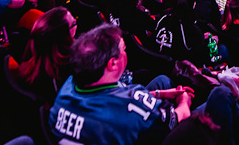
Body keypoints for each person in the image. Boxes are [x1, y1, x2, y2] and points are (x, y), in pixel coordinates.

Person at [49, 24, 193, 145]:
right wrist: (184, 100)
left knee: (162, 81)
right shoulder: (130, 106)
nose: (126, 53)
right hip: (129, 128)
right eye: (123, 49)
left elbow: (115, 99)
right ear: (112, 63)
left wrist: (161, 94)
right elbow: (179, 118)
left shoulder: (69, 85)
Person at [15, 6, 77, 103]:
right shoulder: (70, 68)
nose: (76, 26)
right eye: (74, 24)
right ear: (63, 36)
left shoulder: (28, 65)